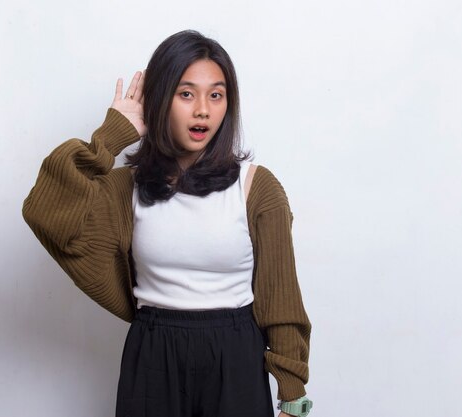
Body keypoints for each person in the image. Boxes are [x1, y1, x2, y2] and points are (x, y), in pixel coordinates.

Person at [22, 30, 312, 417]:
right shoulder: (127, 189)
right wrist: (111, 137)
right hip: (153, 353)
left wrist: (293, 398)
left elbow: (282, 299)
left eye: (216, 94)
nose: (203, 110)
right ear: (159, 101)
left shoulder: (256, 188)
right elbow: (45, 209)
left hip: (236, 354)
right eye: (186, 94)